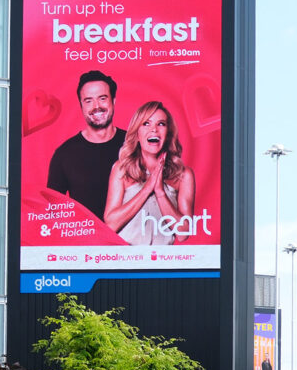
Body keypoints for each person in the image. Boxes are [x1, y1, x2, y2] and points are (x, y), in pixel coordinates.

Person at [103, 101, 195, 245]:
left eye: (161, 124)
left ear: (168, 133)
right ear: (137, 134)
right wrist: (147, 189)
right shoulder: (121, 168)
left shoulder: (184, 175)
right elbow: (111, 225)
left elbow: (183, 233)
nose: (154, 130)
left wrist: (160, 192)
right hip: (126, 261)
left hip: (163, 262)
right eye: (146, 123)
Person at [46, 71, 126, 219]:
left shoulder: (135, 145)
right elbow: (53, 213)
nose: (96, 106)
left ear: (113, 101)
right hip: (86, 240)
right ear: (81, 105)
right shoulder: (64, 155)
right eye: (88, 101)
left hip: (134, 241)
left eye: (102, 98)